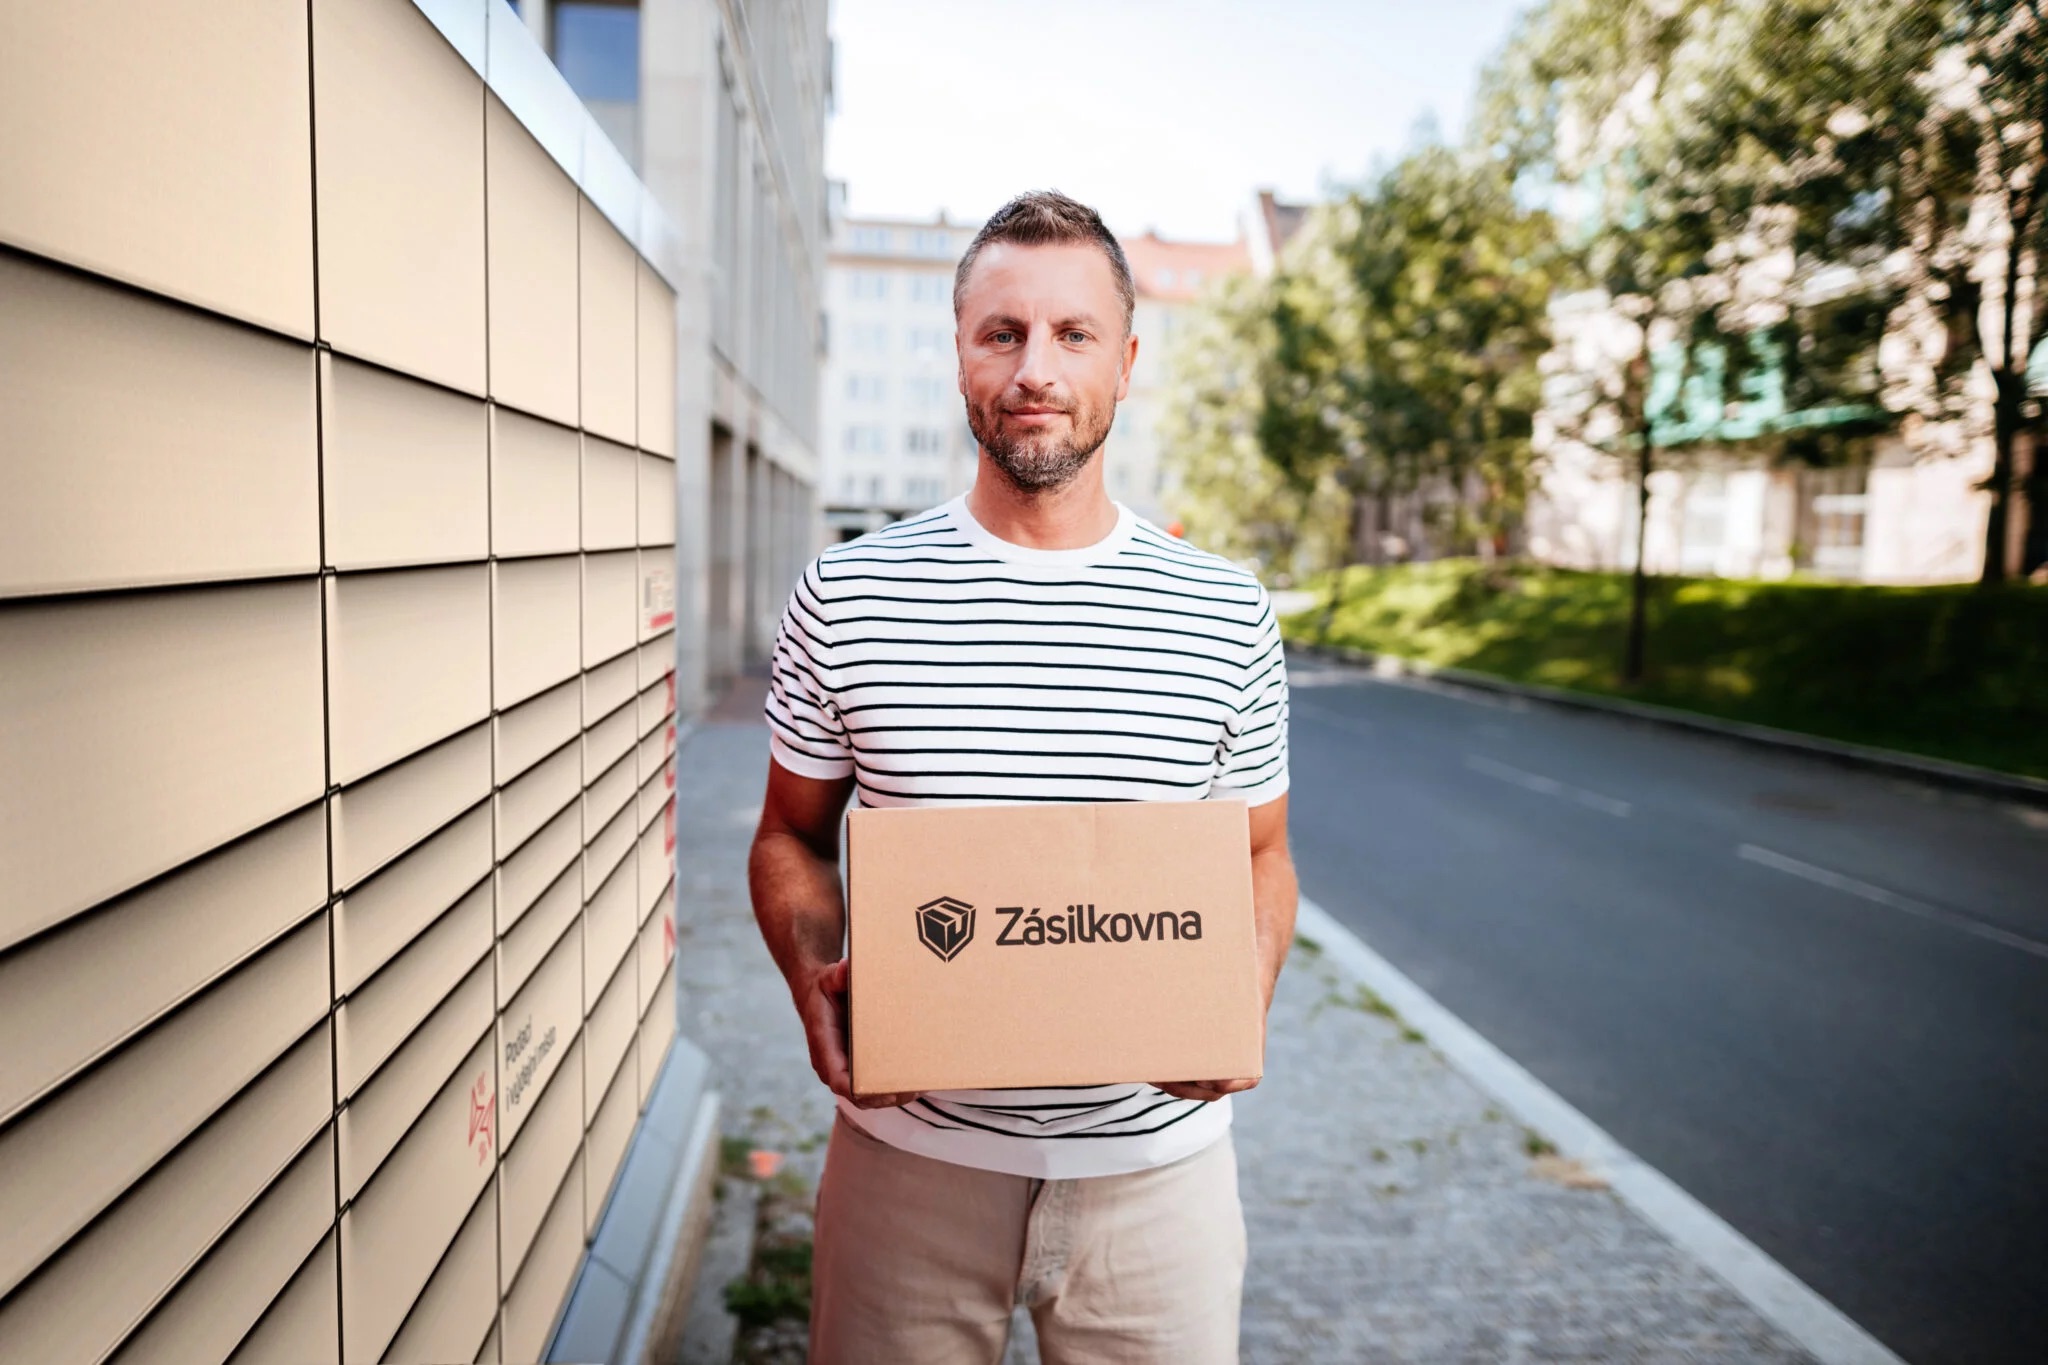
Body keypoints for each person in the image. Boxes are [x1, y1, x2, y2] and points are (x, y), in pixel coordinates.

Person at [748, 190, 1296, 1364]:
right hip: (909, 1166)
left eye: (1071, 334)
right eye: (1001, 332)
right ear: (958, 352)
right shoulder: (848, 597)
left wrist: (1237, 1000)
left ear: (1127, 360)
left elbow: (1257, 854)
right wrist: (812, 981)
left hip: (1159, 1183)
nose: (1033, 367)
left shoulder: (1224, 612)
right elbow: (789, 836)